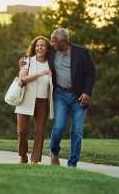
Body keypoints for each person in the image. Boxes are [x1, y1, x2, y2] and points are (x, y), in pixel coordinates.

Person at [22, 28, 96, 167]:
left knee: (77, 131)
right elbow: (36, 56)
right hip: (60, 95)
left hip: (79, 97)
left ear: (63, 41)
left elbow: (90, 73)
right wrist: (23, 62)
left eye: (54, 40)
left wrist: (87, 92)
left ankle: (72, 164)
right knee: (59, 127)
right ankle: (54, 152)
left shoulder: (82, 53)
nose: (51, 43)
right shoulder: (52, 53)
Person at [15, 36, 55, 164]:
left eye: (43, 45)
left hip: (42, 101)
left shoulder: (51, 64)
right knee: (22, 131)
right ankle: (23, 155)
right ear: (34, 47)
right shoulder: (27, 61)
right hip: (26, 99)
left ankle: (35, 159)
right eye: (37, 45)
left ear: (47, 49)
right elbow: (23, 79)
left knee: (39, 132)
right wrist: (40, 74)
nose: (40, 48)